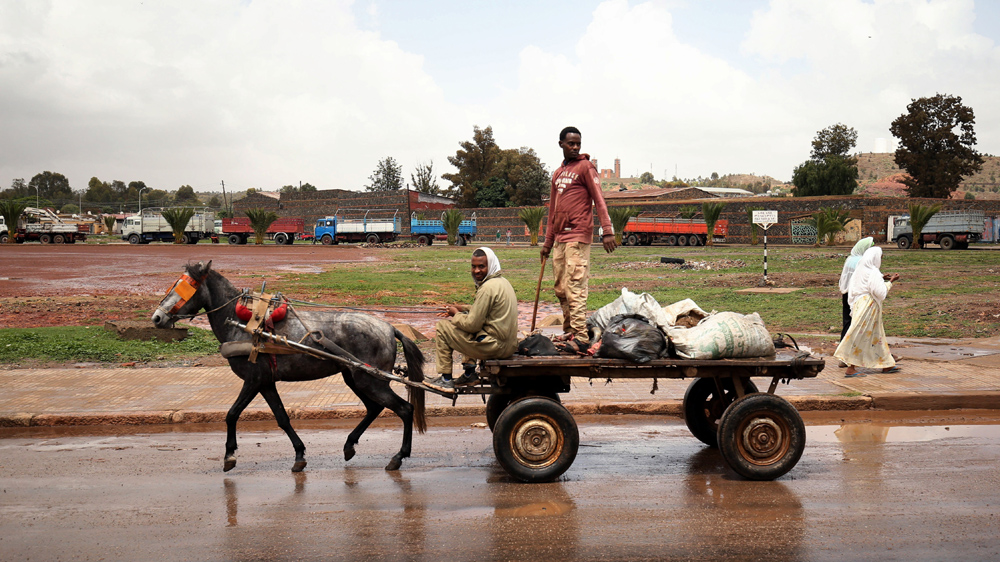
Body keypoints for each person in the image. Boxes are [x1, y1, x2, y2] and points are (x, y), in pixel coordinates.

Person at [540, 126, 616, 353]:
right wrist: (547, 243)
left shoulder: (586, 167)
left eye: (577, 144)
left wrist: (608, 230)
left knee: (575, 287)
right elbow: (552, 210)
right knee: (561, 289)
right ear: (561, 144)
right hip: (560, 240)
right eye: (570, 143)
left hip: (578, 238)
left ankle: (582, 338)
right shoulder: (557, 173)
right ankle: (570, 331)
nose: (574, 147)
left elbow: (599, 199)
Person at [425, 247, 518, 392]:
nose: (476, 271)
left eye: (481, 266)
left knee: (443, 327)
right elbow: (485, 311)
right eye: (473, 266)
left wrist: (456, 314)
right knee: (466, 324)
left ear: (490, 265)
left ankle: (446, 380)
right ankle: (469, 374)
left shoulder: (487, 288)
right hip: (508, 345)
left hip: (495, 347)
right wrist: (463, 308)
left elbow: (472, 325)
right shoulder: (503, 282)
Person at [834, 246, 900, 377]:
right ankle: (850, 367)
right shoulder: (873, 272)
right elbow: (880, 293)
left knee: (876, 336)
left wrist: (881, 277)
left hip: (859, 304)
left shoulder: (860, 270)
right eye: (880, 257)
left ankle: (886, 364)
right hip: (868, 307)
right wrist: (891, 281)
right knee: (860, 334)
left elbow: (862, 284)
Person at [839, 237, 874, 342]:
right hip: (857, 294)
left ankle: (843, 345)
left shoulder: (850, 259)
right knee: (859, 321)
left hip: (846, 292)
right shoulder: (862, 261)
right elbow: (866, 277)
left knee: (847, 320)